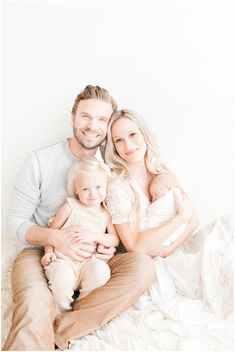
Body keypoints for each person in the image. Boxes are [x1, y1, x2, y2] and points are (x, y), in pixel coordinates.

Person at [3, 87, 155, 351]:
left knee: (143, 267)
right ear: (73, 117)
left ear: (109, 126)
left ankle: (60, 330)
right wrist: (54, 238)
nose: (92, 126)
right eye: (86, 116)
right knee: (33, 297)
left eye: (102, 120)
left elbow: (123, 220)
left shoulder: (113, 167)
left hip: (94, 257)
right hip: (43, 253)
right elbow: (15, 221)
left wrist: (106, 245)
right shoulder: (39, 161)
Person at [104, 109, 233, 325]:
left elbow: (194, 219)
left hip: (175, 247)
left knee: (227, 235)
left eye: (133, 135)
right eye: (119, 140)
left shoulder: (163, 169)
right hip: (153, 263)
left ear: (144, 134)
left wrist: (169, 248)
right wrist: (179, 219)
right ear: (113, 147)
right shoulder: (118, 185)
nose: (128, 146)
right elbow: (135, 245)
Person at [41, 157, 120, 313]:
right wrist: (48, 253)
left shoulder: (106, 214)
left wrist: (93, 236)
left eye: (98, 187)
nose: (93, 194)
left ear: (106, 186)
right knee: (60, 282)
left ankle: (83, 308)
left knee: (101, 272)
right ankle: (61, 312)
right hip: (63, 261)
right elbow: (51, 233)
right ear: (76, 189)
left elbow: (114, 239)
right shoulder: (70, 206)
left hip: (88, 262)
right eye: (85, 189)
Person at [141, 173, 187, 247]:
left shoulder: (174, 193)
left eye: (156, 194)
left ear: (168, 188)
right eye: (152, 196)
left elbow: (181, 211)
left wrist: (181, 213)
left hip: (172, 227)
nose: (153, 199)